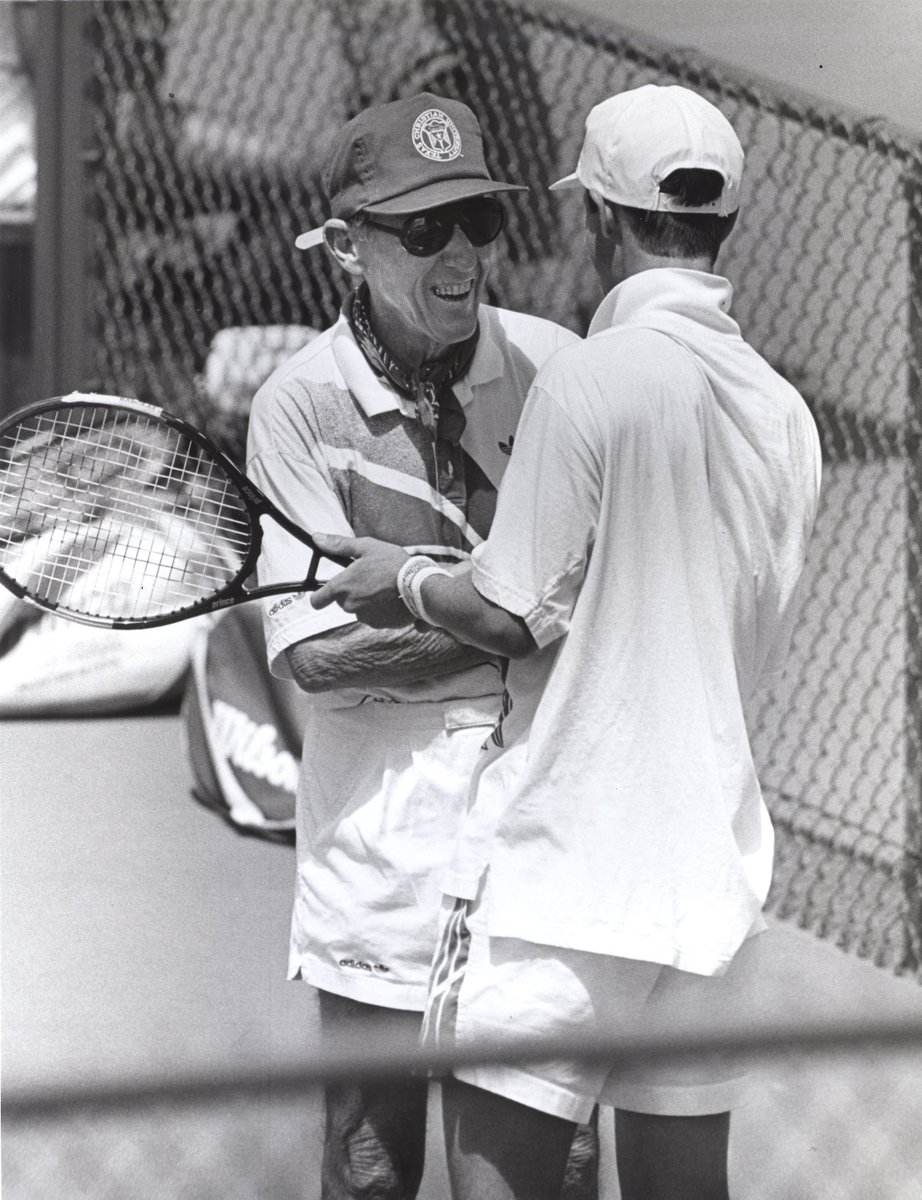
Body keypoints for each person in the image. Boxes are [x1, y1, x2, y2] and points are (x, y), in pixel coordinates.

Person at [309, 83, 823, 1200]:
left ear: (598, 217)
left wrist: (402, 578)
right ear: (718, 225)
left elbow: (505, 610)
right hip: (712, 875)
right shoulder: (786, 414)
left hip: (564, 875)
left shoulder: (590, 378)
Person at [244, 93, 597, 1200]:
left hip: (540, 819)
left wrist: (420, 602)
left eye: (478, 223)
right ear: (346, 248)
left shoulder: (557, 368)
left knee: (559, 1154)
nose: (461, 256)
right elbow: (310, 656)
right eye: (424, 229)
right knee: (368, 1157)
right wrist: (510, 629)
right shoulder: (296, 406)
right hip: (379, 836)